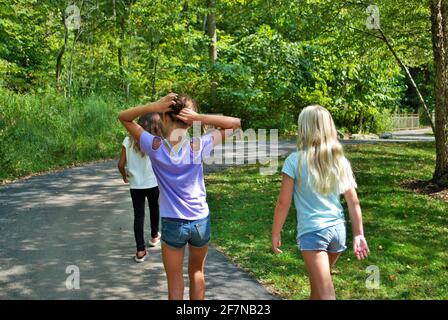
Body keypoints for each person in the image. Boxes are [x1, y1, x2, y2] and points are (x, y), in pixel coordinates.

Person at [118, 93, 241, 300]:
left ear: (164, 118)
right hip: (200, 221)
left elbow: (123, 117)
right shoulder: (198, 145)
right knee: (197, 273)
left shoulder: (154, 146)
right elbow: (235, 124)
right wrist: (200, 117)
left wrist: (152, 105)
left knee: (175, 280)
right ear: (188, 120)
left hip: (173, 222)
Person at [271, 105, 369, 300]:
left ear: (303, 128)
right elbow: (353, 201)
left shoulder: (294, 160)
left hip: (313, 233)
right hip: (337, 233)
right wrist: (358, 234)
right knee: (317, 287)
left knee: (325, 292)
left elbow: (283, 202)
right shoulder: (339, 160)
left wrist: (275, 232)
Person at [117, 113, 163, 263]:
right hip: (153, 183)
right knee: (155, 208)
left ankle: (140, 250)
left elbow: (120, 164)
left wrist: (124, 175)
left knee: (139, 216)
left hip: (135, 185)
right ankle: (155, 235)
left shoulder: (128, 140)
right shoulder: (156, 142)